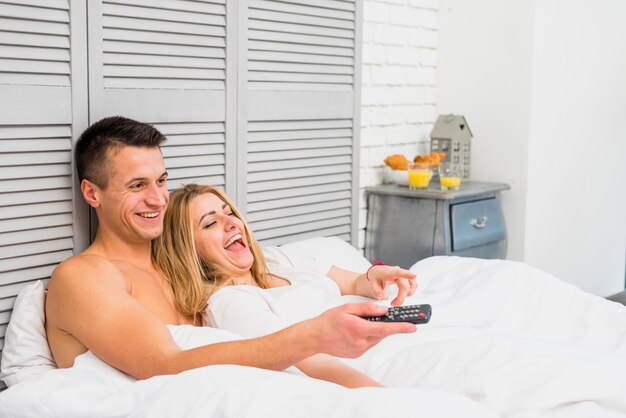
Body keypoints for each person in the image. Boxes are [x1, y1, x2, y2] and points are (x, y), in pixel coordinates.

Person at [44, 116, 417, 381]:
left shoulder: (182, 264)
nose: (159, 199)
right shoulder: (84, 275)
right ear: (93, 193)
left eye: (161, 181)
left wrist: (366, 279)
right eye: (137, 186)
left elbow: (269, 268)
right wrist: (310, 336)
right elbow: (161, 364)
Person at [152, 184, 418, 388]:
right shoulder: (231, 302)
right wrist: (381, 394)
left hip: (396, 339)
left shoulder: (273, 258)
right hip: (370, 364)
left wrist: (375, 277)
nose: (233, 222)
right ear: (188, 250)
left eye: (229, 212)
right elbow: (309, 362)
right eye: (211, 223)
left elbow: (353, 281)